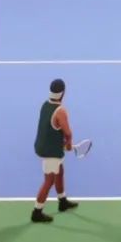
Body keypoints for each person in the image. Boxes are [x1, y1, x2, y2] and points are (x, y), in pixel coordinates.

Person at [31, 78, 78, 223]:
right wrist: (68, 144)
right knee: (49, 180)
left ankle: (62, 201)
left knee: (60, 171)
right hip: (50, 151)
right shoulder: (60, 111)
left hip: (45, 145)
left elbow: (50, 129)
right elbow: (68, 133)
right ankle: (37, 212)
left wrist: (61, 143)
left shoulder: (45, 105)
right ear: (63, 93)